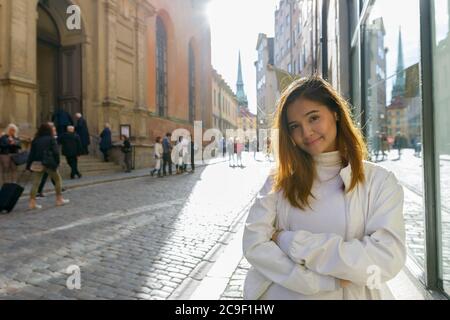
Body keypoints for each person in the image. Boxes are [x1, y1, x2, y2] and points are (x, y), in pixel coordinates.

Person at [242, 76, 406, 300]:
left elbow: (386, 259)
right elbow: (254, 244)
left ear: (336, 114)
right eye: (294, 126)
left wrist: (288, 241)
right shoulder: (278, 181)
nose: (306, 132)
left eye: (314, 118)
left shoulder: (380, 181)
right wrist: (321, 281)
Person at [26, 123, 70, 210]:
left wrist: (28, 165)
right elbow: (56, 152)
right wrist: (57, 163)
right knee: (57, 180)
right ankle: (59, 199)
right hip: (49, 163)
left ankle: (32, 203)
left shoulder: (36, 140)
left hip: (37, 163)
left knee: (36, 183)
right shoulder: (51, 139)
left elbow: (31, 154)